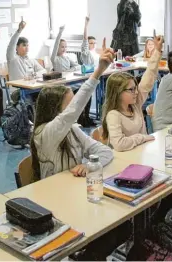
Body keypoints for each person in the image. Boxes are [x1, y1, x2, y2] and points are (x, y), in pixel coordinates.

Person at [31, 38, 114, 180]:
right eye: (69, 104)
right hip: (54, 193)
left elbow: (106, 152)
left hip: (72, 187)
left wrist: (88, 165)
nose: (76, 109)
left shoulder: (72, 129)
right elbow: (73, 110)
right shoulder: (45, 133)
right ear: (54, 110)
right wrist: (99, 71)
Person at [101, 35, 164, 152]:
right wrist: (142, 138)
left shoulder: (135, 104)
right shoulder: (114, 115)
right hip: (125, 163)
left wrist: (158, 51)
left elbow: (149, 75)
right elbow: (119, 144)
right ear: (118, 93)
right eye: (131, 90)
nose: (136, 92)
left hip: (141, 154)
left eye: (135, 88)